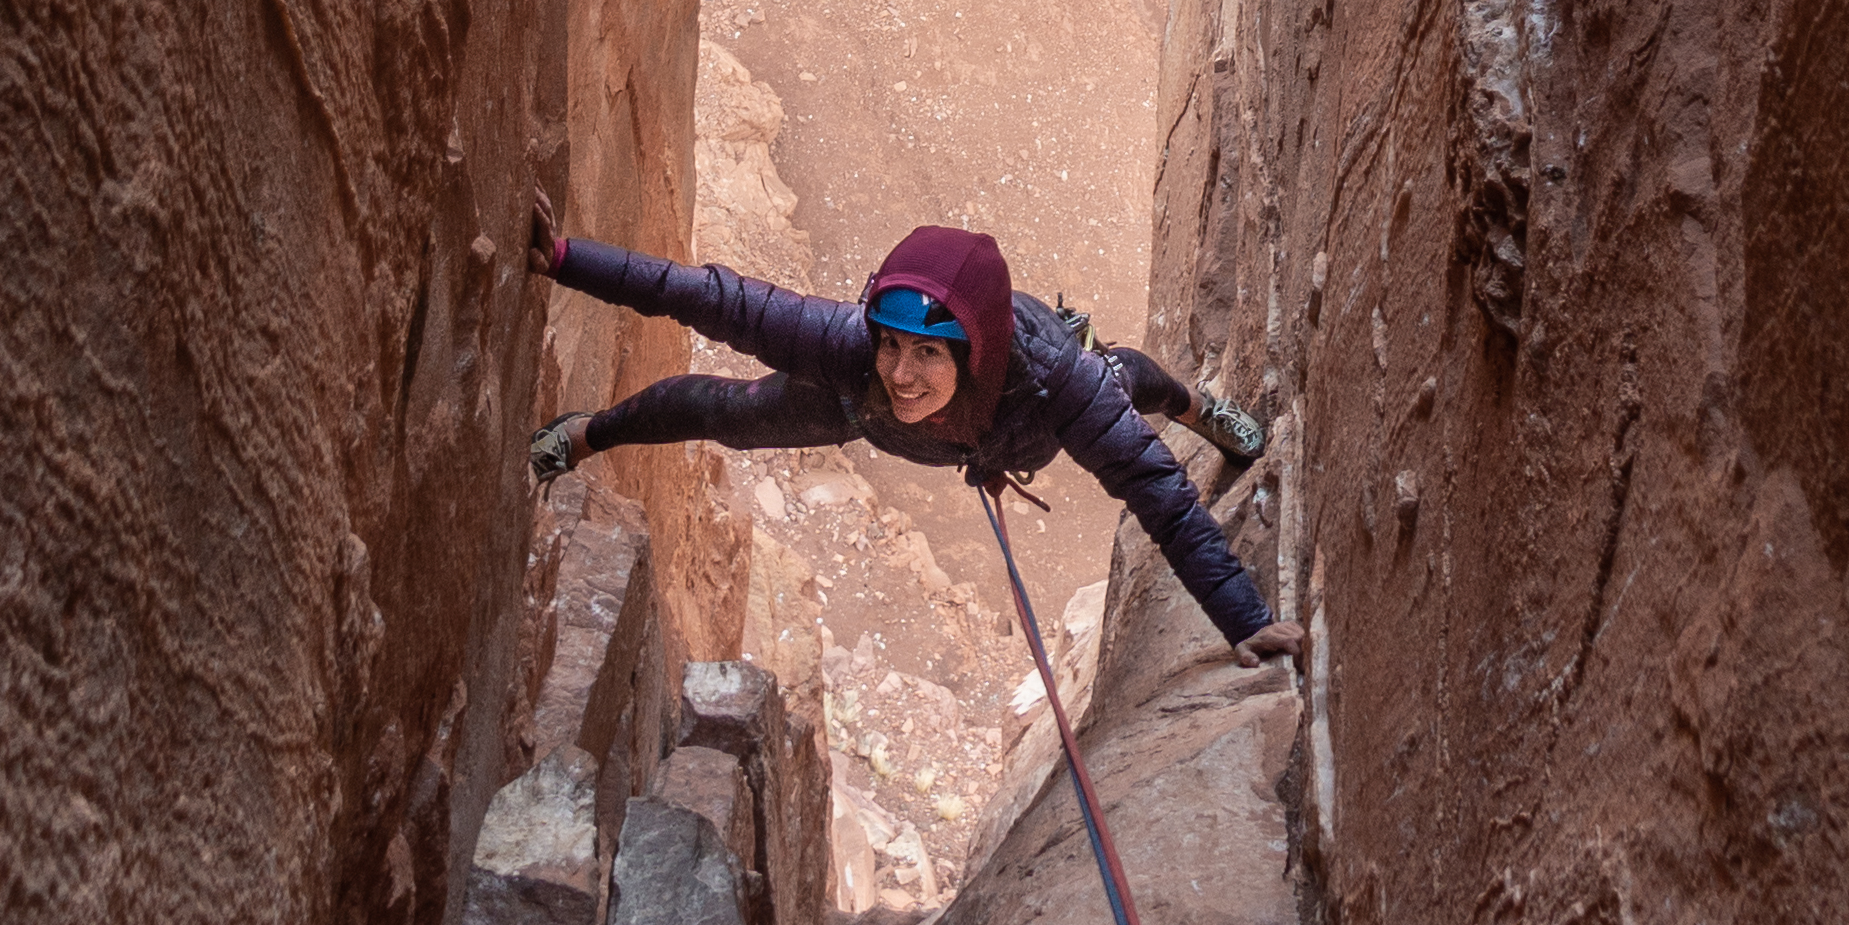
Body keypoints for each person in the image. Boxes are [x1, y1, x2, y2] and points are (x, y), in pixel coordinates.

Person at [524, 204, 1296, 664]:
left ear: (974, 351)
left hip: (1018, 429)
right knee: (722, 413)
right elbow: (705, 296)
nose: (901, 371)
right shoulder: (851, 352)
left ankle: (1204, 410)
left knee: (1131, 378)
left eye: (927, 352)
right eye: (892, 344)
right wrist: (562, 258)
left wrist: (1248, 625)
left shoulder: (1063, 382)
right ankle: (584, 436)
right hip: (865, 421)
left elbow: (1158, 492)